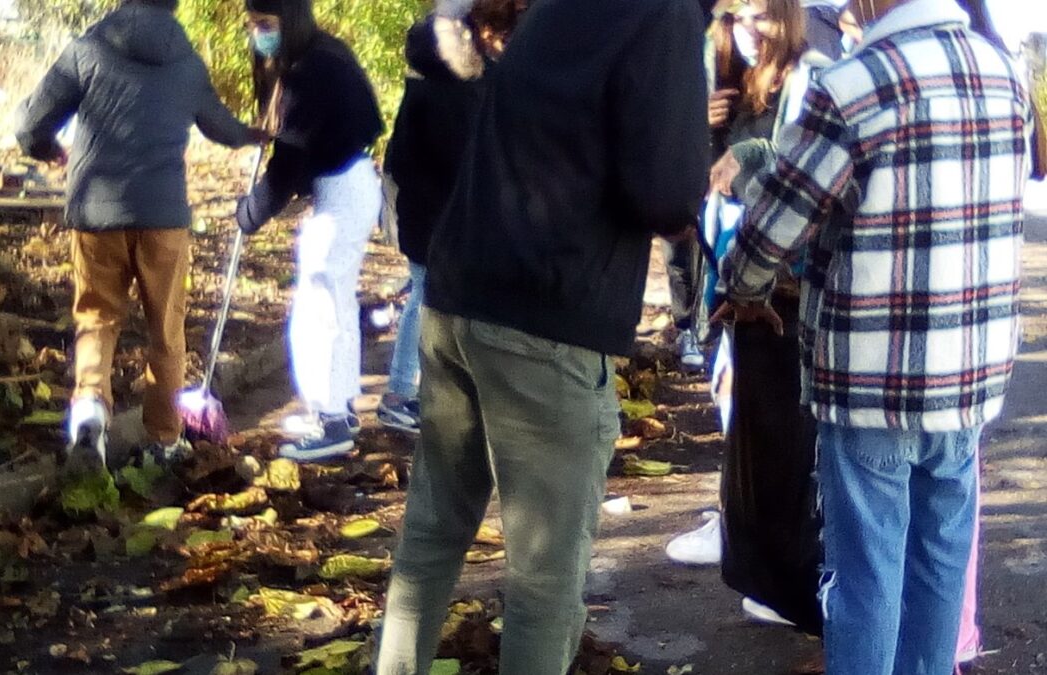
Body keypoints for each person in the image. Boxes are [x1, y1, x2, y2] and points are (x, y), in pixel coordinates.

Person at [374, 0, 711, 671]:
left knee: (431, 538)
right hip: (548, 314)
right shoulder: (665, 14)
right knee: (544, 578)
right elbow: (666, 192)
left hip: (458, 294)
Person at [718, 0, 1032, 671]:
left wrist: (742, 287)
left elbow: (774, 224)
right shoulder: (1002, 73)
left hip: (871, 377)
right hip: (970, 372)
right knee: (940, 561)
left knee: (865, 574)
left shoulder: (853, 84)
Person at [14, 0, 264, 471]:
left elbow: (30, 124)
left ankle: (90, 411)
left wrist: (45, 149)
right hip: (164, 218)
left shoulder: (88, 49)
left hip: (96, 213)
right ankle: (164, 440)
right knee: (166, 328)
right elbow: (222, 128)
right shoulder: (187, 63)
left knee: (97, 318)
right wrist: (254, 134)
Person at [666, 0, 829, 635]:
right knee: (740, 410)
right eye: (738, 16)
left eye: (761, 14)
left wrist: (748, 158)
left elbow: (798, 173)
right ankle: (748, 538)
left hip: (777, 281)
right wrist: (699, 126)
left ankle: (782, 571)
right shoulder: (729, 77)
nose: (749, 29)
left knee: (778, 430)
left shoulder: (811, 74)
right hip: (734, 267)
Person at [235, 0, 383, 461]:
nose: (259, 34)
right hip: (351, 182)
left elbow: (289, 163)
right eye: (253, 25)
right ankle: (340, 408)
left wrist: (252, 212)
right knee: (335, 300)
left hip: (341, 189)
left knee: (318, 307)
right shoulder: (325, 53)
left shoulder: (309, 72)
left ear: (290, 19)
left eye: (266, 24)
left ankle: (330, 420)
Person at [378, 0, 528, 435]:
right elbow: (454, 160)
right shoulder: (448, 90)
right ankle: (400, 393)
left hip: (436, 213)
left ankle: (423, 391)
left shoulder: (450, 83)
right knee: (426, 297)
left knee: (434, 298)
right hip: (435, 216)